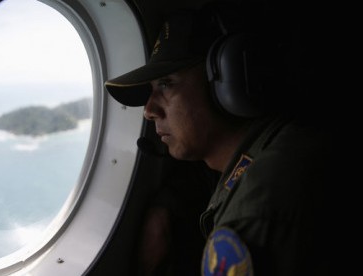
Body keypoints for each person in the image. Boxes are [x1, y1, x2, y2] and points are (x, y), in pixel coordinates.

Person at [105, 1, 332, 275]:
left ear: (229, 77)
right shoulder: (279, 142)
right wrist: (164, 206)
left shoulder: (251, 215)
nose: (149, 111)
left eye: (166, 84)